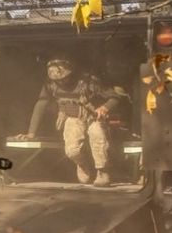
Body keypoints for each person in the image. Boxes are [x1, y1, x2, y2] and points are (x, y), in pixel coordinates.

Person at [14, 58, 119, 186]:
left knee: (98, 136)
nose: (61, 82)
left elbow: (115, 97)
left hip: (94, 118)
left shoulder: (89, 82)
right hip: (73, 118)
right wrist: (31, 133)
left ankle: (102, 171)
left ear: (71, 73)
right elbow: (41, 103)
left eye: (64, 78)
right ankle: (82, 164)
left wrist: (104, 108)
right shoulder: (50, 85)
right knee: (72, 150)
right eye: (57, 80)